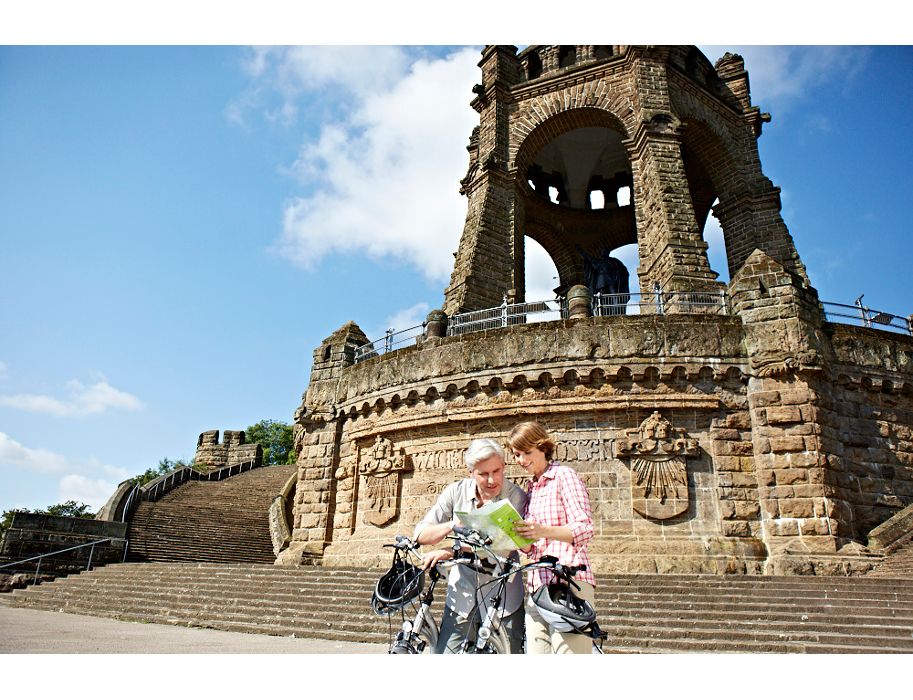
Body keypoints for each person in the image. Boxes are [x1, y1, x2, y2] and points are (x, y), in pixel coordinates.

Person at [413, 438, 528, 653]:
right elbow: (421, 533)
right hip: (461, 596)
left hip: (502, 598)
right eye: (483, 474)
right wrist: (452, 525)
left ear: (504, 467)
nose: (492, 480)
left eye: (496, 471)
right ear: (470, 473)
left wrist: (450, 551)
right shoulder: (455, 492)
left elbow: (500, 547)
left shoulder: (516, 497)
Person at [509, 420, 596, 654]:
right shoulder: (532, 489)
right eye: (517, 454)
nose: (521, 460)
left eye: (527, 452)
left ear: (543, 447)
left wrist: (542, 530)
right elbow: (536, 545)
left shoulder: (564, 476)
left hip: (568, 582)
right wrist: (522, 541)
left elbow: (585, 528)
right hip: (537, 585)